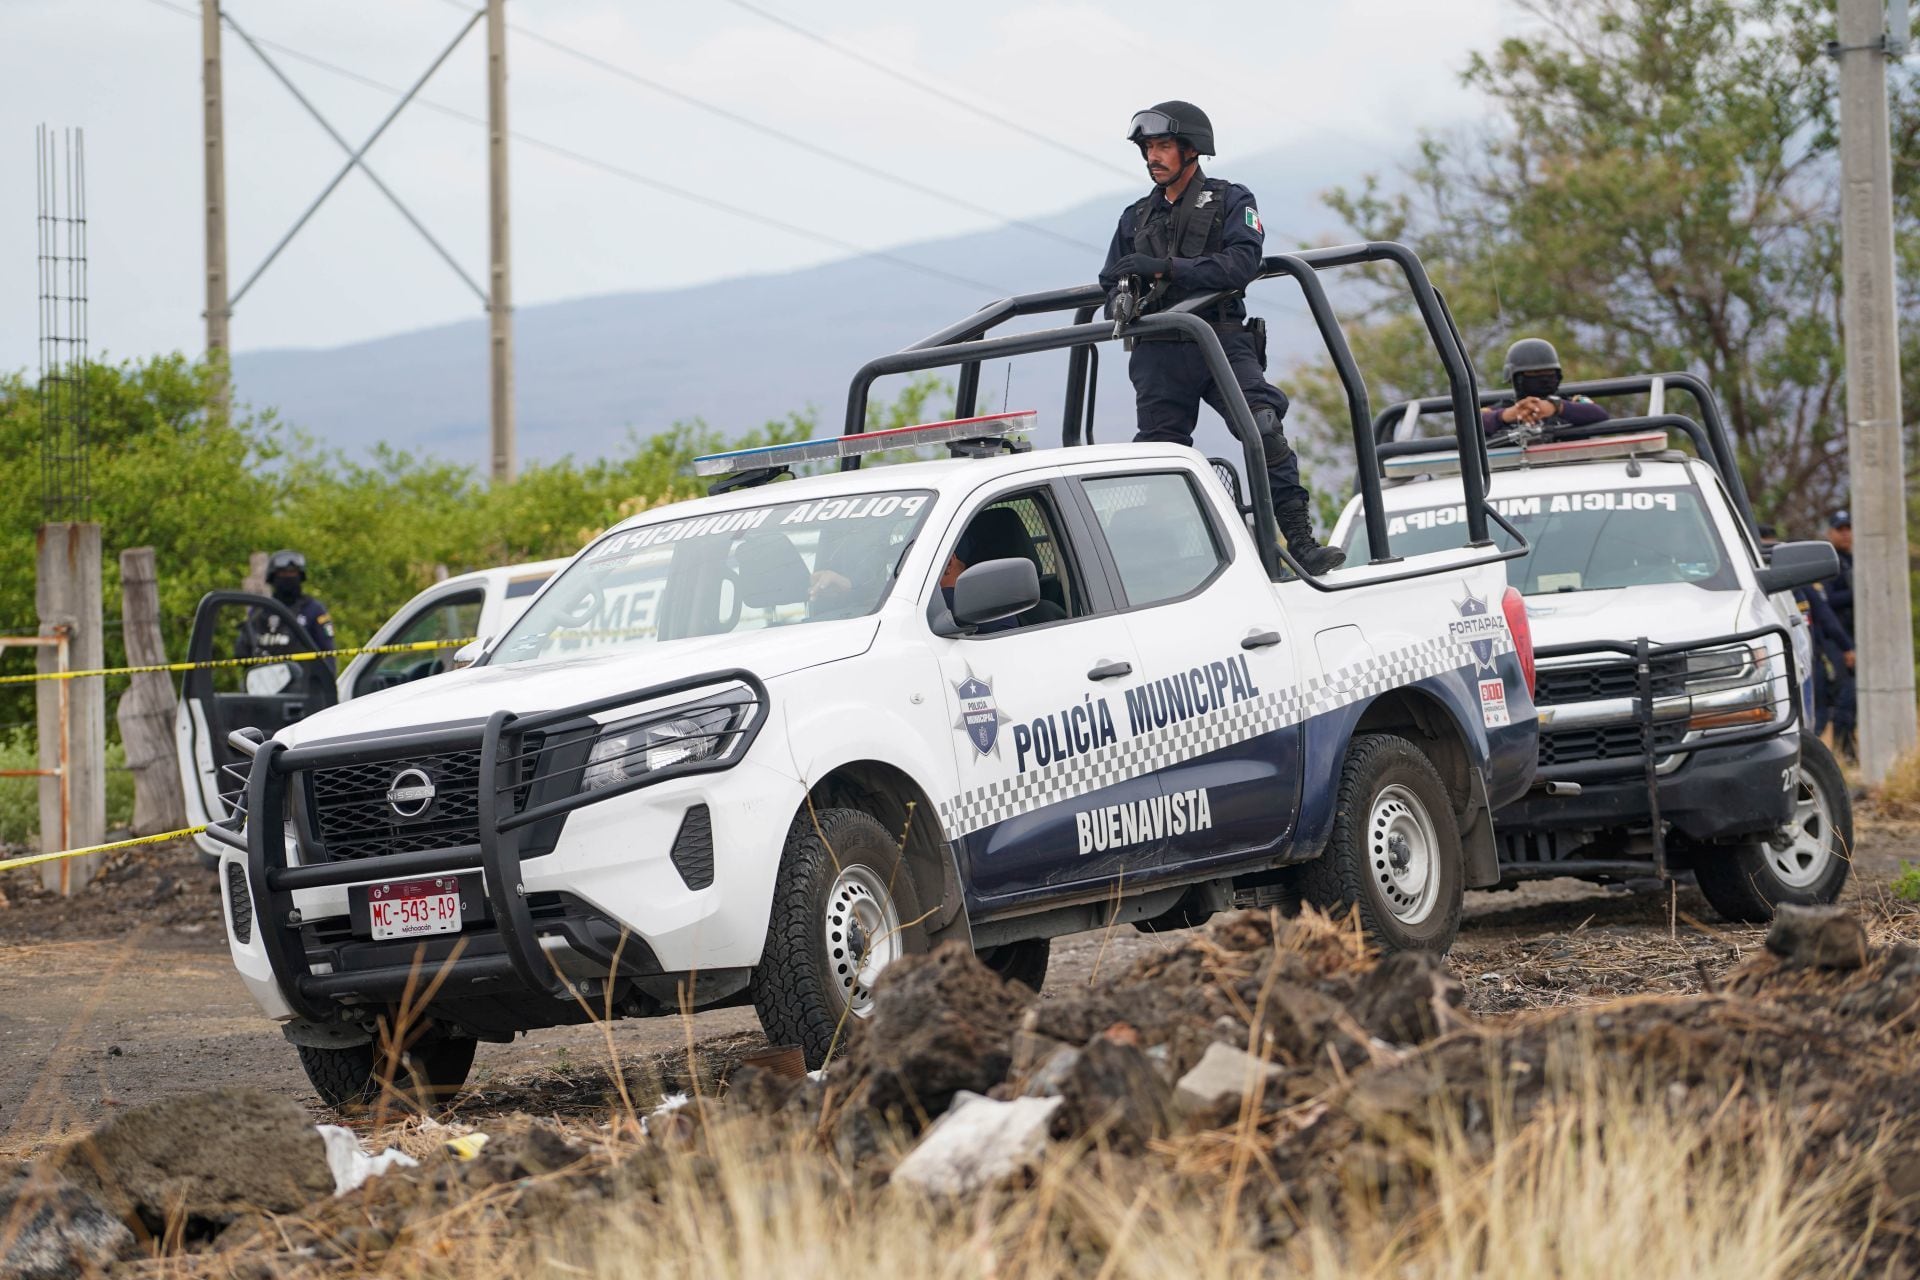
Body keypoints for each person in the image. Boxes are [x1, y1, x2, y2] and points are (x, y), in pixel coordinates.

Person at [1097, 101, 1344, 575]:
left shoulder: (1231, 199)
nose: (1153, 156)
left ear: (1192, 151)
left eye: (1163, 146)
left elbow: (1241, 264)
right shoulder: (1135, 218)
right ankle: (1168, 564)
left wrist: (1168, 268)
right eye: (1148, 148)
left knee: (1263, 429)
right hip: (1158, 350)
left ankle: (1300, 541)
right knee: (1158, 458)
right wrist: (1121, 300)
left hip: (1221, 338)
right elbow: (1111, 279)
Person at [1762, 524, 1853, 740]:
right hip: (1774, 665)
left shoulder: (1799, 585)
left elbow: (1824, 615)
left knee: (1815, 716)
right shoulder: (1752, 590)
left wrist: (1846, 648)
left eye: (1771, 552)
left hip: (1807, 661)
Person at [237, 549, 337, 673]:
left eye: (293, 573)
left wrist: (327, 688)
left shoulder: (313, 610)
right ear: (273, 577)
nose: (288, 577)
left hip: (303, 686)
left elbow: (327, 655)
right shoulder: (259, 610)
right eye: (283, 573)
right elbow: (241, 653)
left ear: (300, 576)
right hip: (262, 685)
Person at [1481, 338, 1611, 433]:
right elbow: (1469, 426)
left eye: (1549, 372)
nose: (1544, 379)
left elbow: (1600, 413)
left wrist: (1558, 408)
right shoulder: (1497, 411)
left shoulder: (1573, 403)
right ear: (1515, 378)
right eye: (1534, 373)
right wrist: (1505, 416)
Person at [1824, 510, 1857, 758]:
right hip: (1836, 641)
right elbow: (1826, 602)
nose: (1845, 534)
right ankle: (1842, 750)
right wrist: (1859, 593)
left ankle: (1850, 749)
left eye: (1848, 528)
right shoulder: (1829, 562)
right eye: (1840, 529)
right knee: (1845, 695)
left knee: (1855, 697)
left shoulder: (1852, 560)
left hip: (1854, 638)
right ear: (1830, 533)